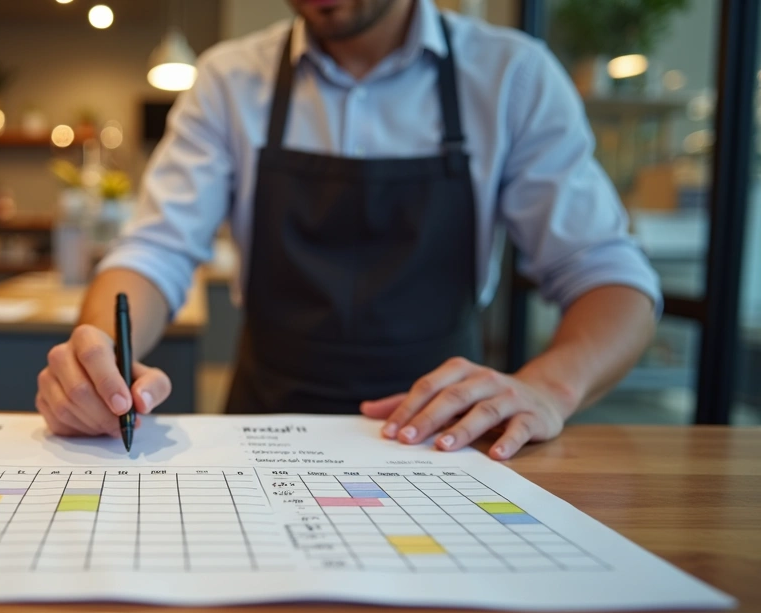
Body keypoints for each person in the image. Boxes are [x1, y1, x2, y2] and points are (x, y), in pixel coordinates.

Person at [35, 0, 660, 460]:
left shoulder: (511, 77)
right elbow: (156, 251)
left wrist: (548, 389)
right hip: (264, 433)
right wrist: (102, 357)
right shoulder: (229, 80)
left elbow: (610, 279)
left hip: (447, 446)